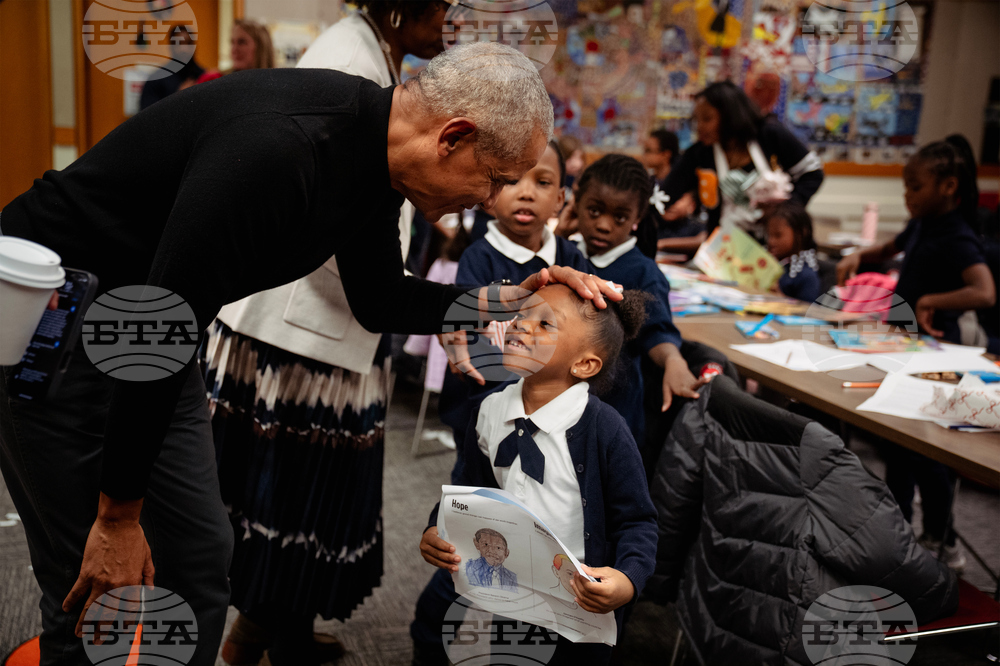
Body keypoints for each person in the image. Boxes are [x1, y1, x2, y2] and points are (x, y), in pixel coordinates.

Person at [0, 42, 623, 666]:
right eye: (494, 178)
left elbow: (379, 299)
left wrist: (510, 303)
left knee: (196, 556)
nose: (491, 200)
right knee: (91, 581)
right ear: (452, 137)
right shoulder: (281, 149)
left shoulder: (373, 164)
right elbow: (160, 320)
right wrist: (116, 517)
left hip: (157, 337)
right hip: (56, 326)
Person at [203, 5, 447, 665]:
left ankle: (266, 629)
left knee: (295, 504)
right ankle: (273, 639)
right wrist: (422, 299)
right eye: (446, 4)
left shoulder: (372, 51)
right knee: (289, 504)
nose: (454, 18)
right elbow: (328, 215)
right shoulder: (349, 62)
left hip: (322, 318)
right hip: (299, 331)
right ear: (401, 7)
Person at [413, 285, 658, 666]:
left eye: (544, 323)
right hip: (514, 592)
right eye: (521, 315)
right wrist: (438, 526)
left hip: (581, 605)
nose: (520, 326)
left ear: (584, 365)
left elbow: (638, 521)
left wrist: (628, 579)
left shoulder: (604, 430)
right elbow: (469, 488)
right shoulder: (490, 409)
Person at [836, 140, 995, 571]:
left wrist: (931, 299)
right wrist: (860, 255)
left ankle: (940, 539)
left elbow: (984, 291)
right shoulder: (921, 222)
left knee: (931, 451)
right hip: (907, 345)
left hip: (944, 352)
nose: (907, 195)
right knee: (899, 444)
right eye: (905, 186)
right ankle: (899, 528)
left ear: (948, 186)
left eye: (915, 186)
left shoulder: (958, 235)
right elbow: (888, 249)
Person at [439, 140, 592, 483]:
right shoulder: (477, 259)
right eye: (513, 180)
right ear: (490, 194)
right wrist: (519, 397)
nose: (526, 193)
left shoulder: (572, 260)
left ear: (561, 198)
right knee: (480, 484)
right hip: (482, 408)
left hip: (554, 411)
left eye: (542, 182)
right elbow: (469, 337)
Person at [567, 154, 712, 470]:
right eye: (593, 211)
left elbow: (656, 331)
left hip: (610, 411)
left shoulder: (643, 272)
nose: (604, 225)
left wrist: (673, 360)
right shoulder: (563, 253)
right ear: (575, 202)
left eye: (619, 217)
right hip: (555, 399)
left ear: (638, 216)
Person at [660, 81, 824, 241]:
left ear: (730, 116)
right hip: (725, 249)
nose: (699, 127)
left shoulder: (769, 135)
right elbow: (664, 195)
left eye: (707, 119)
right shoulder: (700, 153)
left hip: (776, 244)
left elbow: (812, 173)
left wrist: (786, 209)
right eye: (696, 120)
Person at [642, 128, 704, 256]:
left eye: (649, 151)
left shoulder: (689, 186)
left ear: (666, 154)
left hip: (684, 242)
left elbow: (704, 235)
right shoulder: (648, 183)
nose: (644, 155)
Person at [765, 201, 821, 303]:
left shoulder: (806, 275)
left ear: (801, 233)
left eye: (778, 235)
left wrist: (780, 298)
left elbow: (808, 312)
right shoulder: (768, 264)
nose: (771, 241)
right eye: (769, 235)